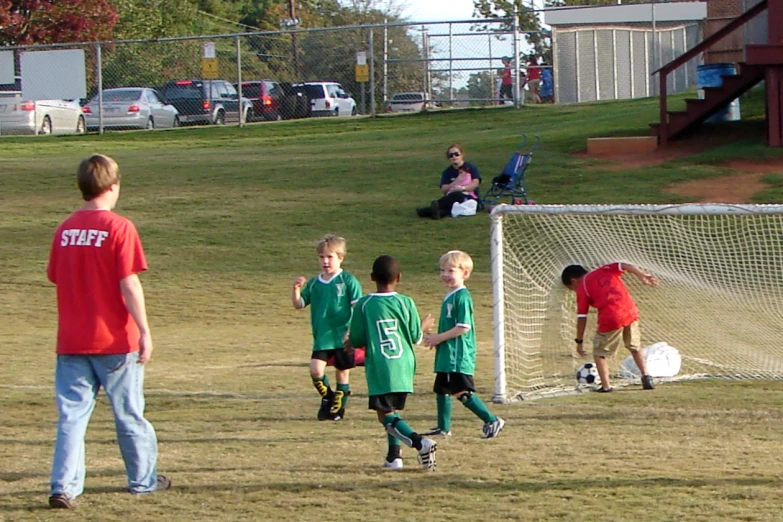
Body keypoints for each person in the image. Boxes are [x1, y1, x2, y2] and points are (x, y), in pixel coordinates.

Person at [46, 154, 170, 509]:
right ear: (114, 186)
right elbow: (128, 283)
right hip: (115, 340)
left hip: (71, 339)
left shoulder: (65, 228)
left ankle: (64, 486)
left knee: (71, 417)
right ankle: (142, 481)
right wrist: (145, 330)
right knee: (129, 412)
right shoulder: (119, 227)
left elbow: (55, 275)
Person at [348, 255, 438, 470]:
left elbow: (358, 339)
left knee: (385, 416)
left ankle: (420, 443)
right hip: (404, 365)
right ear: (399, 277)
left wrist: (350, 341)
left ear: (371, 278)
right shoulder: (405, 302)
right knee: (392, 412)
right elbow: (416, 337)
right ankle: (393, 457)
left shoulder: (365, 304)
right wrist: (423, 326)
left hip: (381, 365)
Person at [423, 250, 505, 439]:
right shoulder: (449, 296)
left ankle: (491, 420)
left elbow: (463, 327)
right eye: (442, 270)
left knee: (461, 391)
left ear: (464, 273)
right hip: (446, 353)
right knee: (442, 389)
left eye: (450, 271)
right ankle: (443, 428)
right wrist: (435, 338)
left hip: (457, 355)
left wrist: (439, 338)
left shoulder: (462, 297)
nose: (445, 275)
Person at [292, 234, 362, 421]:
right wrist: (296, 290)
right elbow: (299, 304)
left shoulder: (348, 281)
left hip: (343, 337)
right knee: (316, 370)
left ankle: (338, 409)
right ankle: (327, 396)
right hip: (322, 336)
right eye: (321, 257)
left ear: (340, 258)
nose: (325, 261)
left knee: (342, 372)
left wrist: (352, 332)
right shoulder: (315, 283)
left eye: (329, 257)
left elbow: (358, 308)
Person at [561, 262, 660, 393]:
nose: (574, 290)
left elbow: (582, 317)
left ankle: (606, 386)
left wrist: (579, 341)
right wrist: (641, 274)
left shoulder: (582, 287)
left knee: (599, 354)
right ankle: (647, 378)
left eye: (571, 288)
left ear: (573, 281)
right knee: (635, 347)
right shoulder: (604, 269)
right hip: (630, 310)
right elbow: (624, 265)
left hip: (611, 317)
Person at [416, 145, 481, 220]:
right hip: (451, 196)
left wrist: (462, 188)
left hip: (468, 197)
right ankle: (439, 213)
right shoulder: (447, 172)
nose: (454, 157)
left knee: (455, 195)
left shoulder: (470, 167)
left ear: (462, 155)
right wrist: (456, 181)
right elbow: (444, 189)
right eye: (451, 155)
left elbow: (475, 184)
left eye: (456, 154)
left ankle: (428, 210)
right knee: (451, 198)